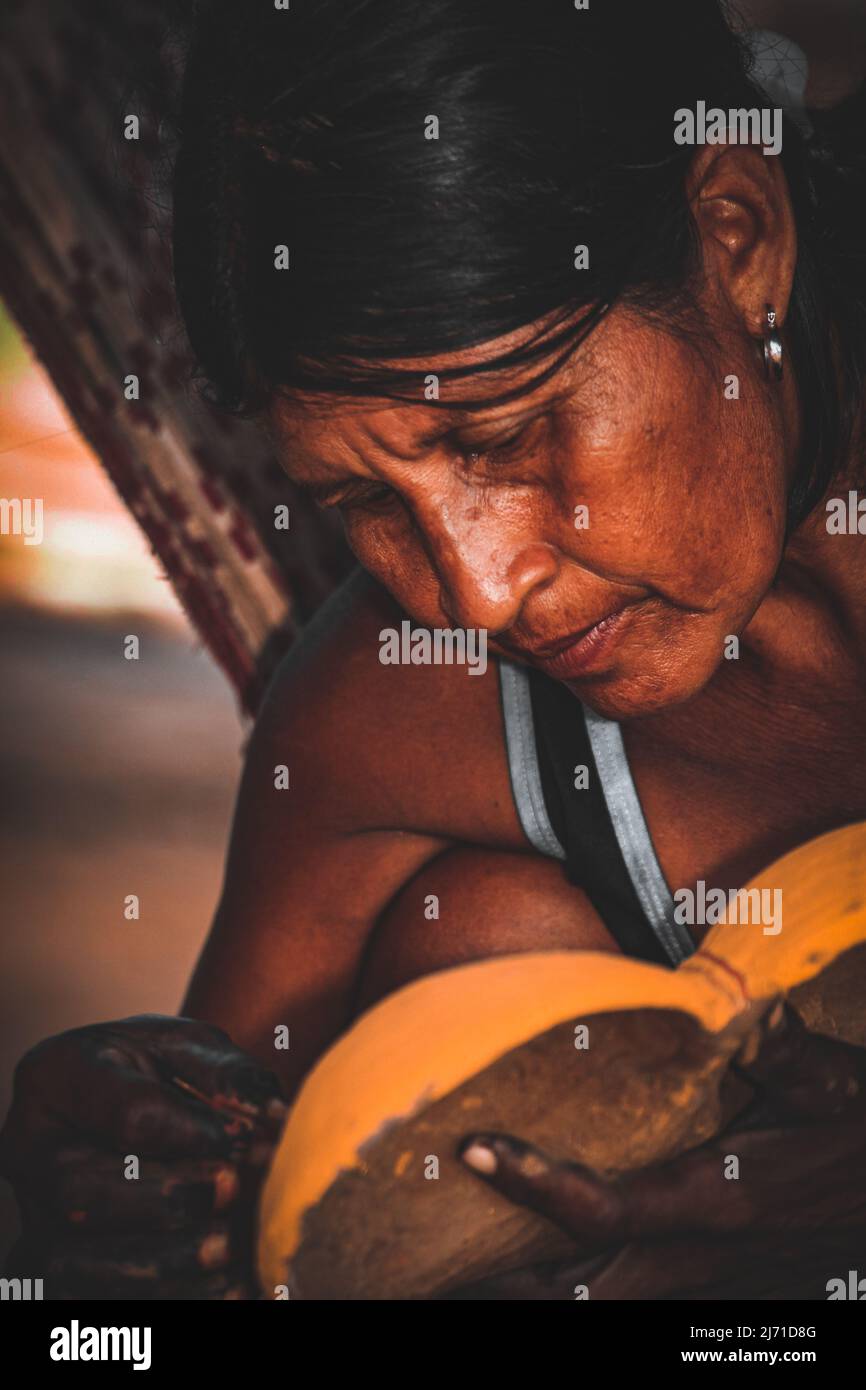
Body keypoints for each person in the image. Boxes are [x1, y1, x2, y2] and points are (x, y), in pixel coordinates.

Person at [2, 0, 866, 1300]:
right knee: (470, 932)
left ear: (734, 235)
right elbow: (181, 1257)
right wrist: (115, 1213)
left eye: (507, 435)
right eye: (363, 502)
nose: (472, 591)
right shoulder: (386, 724)